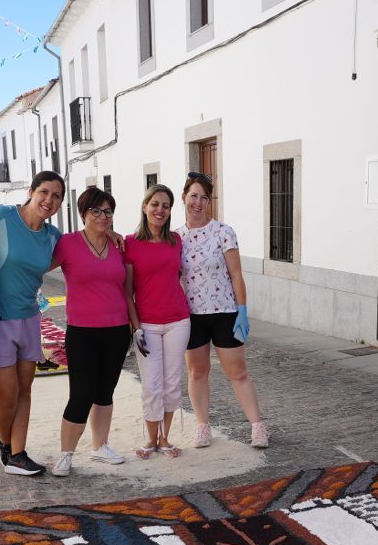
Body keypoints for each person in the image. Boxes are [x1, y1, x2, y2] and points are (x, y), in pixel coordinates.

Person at [0, 171, 65, 477]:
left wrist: (112, 235)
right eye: (44, 192)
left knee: (25, 389)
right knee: (6, 393)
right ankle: (5, 440)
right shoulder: (2, 216)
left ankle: (17, 454)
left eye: (56, 196)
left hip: (30, 318)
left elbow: (78, 249)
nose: (49, 200)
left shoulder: (53, 237)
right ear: (32, 191)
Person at [178, 172, 268, 449]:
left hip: (225, 312)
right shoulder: (176, 237)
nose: (198, 202)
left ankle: (257, 426)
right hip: (192, 316)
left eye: (204, 197)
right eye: (193, 196)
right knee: (197, 372)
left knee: (237, 372)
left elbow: (236, 274)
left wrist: (242, 309)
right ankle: (203, 427)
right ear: (184, 198)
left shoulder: (223, 231)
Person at [47, 186, 130, 477]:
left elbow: (129, 285)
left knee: (105, 392)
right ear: (83, 214)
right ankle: (66, 454)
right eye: (96, 210)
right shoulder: (68, 244)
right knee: (81, 394)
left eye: (108, 211)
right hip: (81, 331)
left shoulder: (120, 245)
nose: (102, 216)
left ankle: (100, 446)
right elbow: (38, 268)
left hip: (118, 330)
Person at [125, 183, 190, 459]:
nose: (160, 210)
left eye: (165, 206)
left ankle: (165, 439)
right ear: (144, 206)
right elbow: (128, 292)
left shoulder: (176, 241)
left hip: (178, 320)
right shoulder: (129, 243)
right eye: (155, 204)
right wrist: (136, 328)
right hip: (147, 325)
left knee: (172, 383)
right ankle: (150, 439)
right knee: (152, 384)